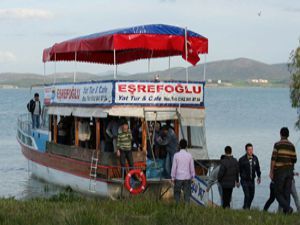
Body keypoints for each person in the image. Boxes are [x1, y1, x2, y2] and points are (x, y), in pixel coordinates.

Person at [269, 127, 297, 214]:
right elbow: (294, 159)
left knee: (277, 192)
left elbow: (273, 159)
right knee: (287, 192)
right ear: (288, 135)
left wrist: (271, 171)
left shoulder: (277, 145)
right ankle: (286, 213)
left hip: (280, 171)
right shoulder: (292, 145)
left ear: (280, 134)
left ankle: (288, 208)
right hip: (289, 171)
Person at [171, 139, 195, 203]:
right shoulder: (189, 155)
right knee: (187, 194)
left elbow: (174, 167)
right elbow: (192, 167)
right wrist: (193, 177)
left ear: (179, 146)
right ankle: (186, 210)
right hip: (187, 177)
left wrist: (173, 178)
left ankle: (177, 207)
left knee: (177, 194)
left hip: (178, 177)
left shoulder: (176, 155)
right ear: (186, 146)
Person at [239, 143, 261, 209]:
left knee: (251, 196)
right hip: (244, 180)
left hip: (252, 180)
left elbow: (258, 168)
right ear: (246, 150)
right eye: (249, 150)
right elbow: (238, 170)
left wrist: (259, 177)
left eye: (252, 149)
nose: (251, 151)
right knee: (247, 195)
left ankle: (246, 207)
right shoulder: (242, 159)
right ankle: (246, 208)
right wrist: (237, 180)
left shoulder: (255, 158)